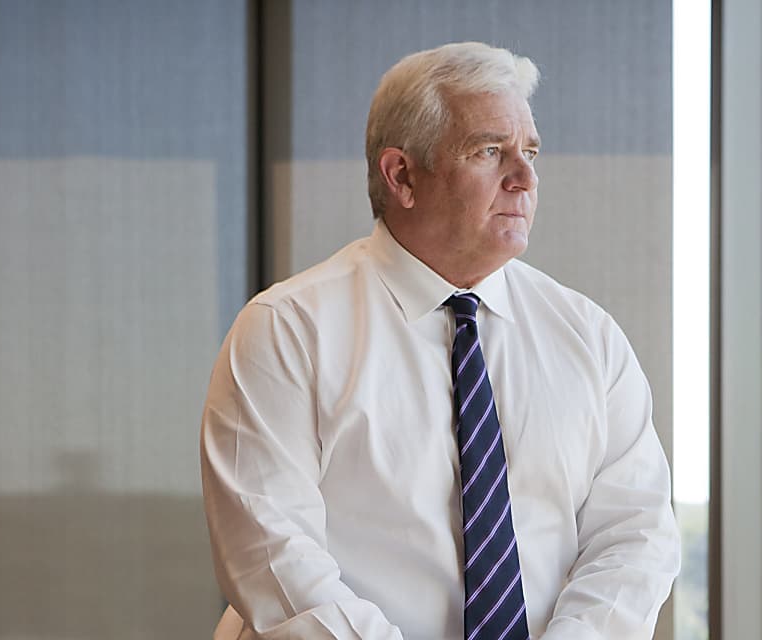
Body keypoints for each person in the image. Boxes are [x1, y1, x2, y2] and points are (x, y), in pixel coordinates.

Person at [200, 42, 680, 640]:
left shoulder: (589, 336)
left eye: (530, 152)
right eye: (490, 151)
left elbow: (635, 534)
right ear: (402, 175)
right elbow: (271, 553)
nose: (525, 178)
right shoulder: (287, 329)